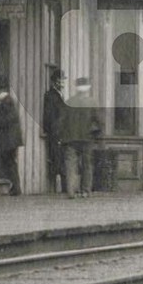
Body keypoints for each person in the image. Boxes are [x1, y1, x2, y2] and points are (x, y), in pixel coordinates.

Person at [60, 76, 102, 199]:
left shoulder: (69, 102)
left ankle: (71, 191)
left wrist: (62, 136)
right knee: (87, 165)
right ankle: (85, 191)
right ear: (88, 88)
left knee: (70, 165)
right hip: (87, 138)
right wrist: (98, 134)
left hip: (70, 138)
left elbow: (61, 122)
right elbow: (99, 120)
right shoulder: (92, 102)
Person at [0, 82, 24, 196]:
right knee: (10, 162)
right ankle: (15, 187)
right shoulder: (8, 101)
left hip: (8, 139)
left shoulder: (5, 102)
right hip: (12, 139)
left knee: (10, 162)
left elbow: (4, 120)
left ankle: (16, 188)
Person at [41, 66, 66, 194]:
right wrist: (57, 133)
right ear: (54, 82)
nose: (62, 83)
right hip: (56, 134)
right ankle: (57, 189)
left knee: (61, 160)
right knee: (57, 161)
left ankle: (64, 189)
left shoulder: (60, 95)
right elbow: (50, 117)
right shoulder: (50, 96)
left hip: (62, 133)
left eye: (63, 81)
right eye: (60, 81)